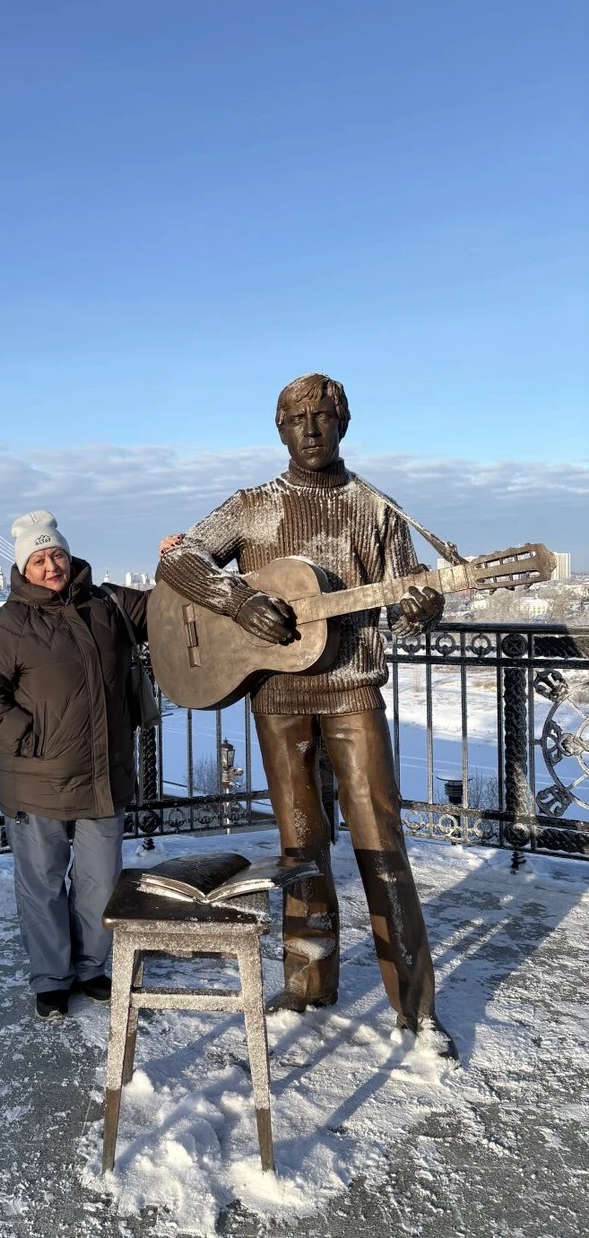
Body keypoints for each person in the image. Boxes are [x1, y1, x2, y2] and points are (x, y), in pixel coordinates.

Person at [156, 373, 459, 1062]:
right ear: (280, 428)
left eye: (323, 417)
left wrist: (422, 611)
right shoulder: (254, 506)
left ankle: (416, 1009)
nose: (311, 429)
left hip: (353, 690)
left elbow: (404, 600)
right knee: (299, 848)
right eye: (296, 418)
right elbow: (179, 557)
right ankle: (306, 985)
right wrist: (235, 601)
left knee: (382, 845)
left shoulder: (376, 509)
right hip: (279, 696)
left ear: (344, 423)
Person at [0, 510, 152, 1022]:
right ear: (24, 568)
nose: (52, 566)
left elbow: (165, 610)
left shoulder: (108, 604)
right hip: (37, 779)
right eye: (40, 558)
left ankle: (91, 968)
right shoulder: (10, 624)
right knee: (43, 883)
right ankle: (51, 977)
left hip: (102, 776)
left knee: (100, 882)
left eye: (58, 555)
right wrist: (27, 739)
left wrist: (176, 560)